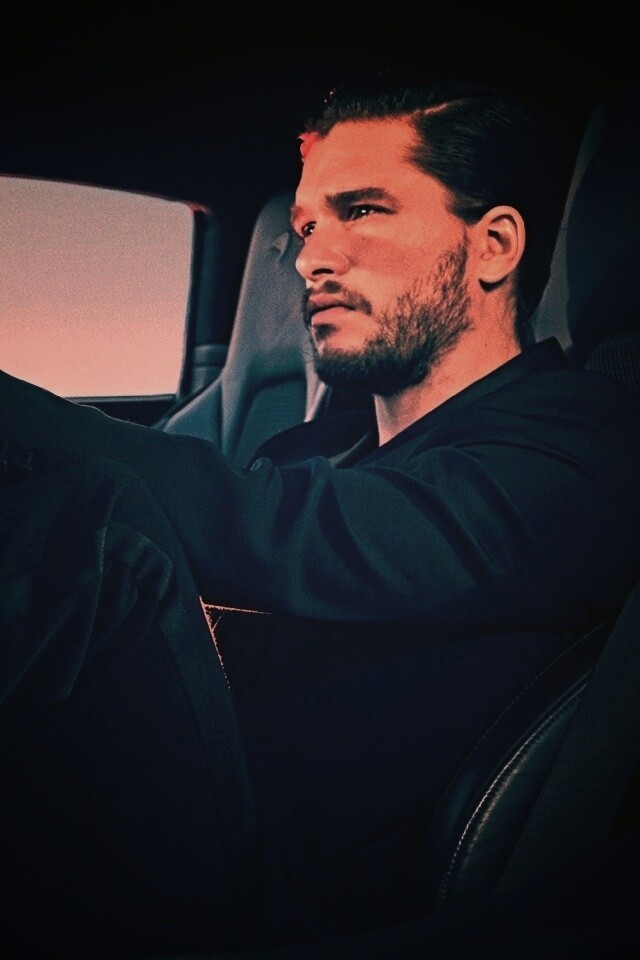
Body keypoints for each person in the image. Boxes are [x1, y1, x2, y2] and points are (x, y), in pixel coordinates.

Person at [2, 71, 640, 957]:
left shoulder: (587, 442)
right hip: (166, 794)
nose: (309, 260)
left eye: (362, 210)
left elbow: (288, 533)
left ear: (493, 246)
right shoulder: (317, 449)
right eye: (305, 228)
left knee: (95, 533)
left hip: (275, 894)